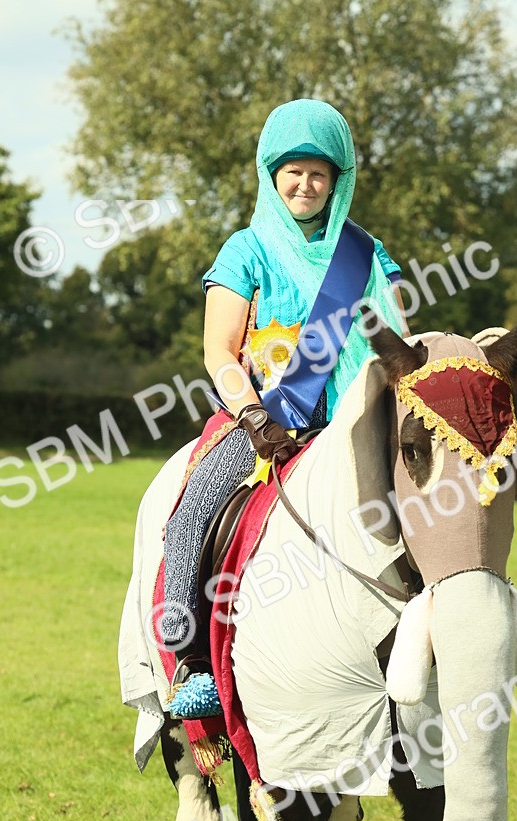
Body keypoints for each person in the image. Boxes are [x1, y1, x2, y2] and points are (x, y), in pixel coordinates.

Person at [161, 97, 409, 708]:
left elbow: (397, 344)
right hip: (262, 422)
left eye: (319, 172)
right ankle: (191, 661)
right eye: (294, 171)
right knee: (196, 507)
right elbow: (219, 350)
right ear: (272, 175)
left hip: (351, 420)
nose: (306, 183)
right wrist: (253, 414)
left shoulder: (366, 255)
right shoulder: (245, 251)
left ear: (337, 181)